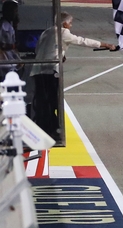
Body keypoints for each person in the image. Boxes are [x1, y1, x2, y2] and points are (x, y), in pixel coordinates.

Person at [29, 12, 117, 140]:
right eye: (70, 23)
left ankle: (44, 128)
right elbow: (82, 41)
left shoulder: (46, 32)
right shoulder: (63, 32)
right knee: (53, 101)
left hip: (37, 71)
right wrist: (106, 44)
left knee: (42, 101)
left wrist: (60, 55)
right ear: (65, 23)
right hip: (50, 71)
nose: (71, 25)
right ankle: (53, 130)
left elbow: (39, 49)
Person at [0, 0, 20, 80]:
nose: (16, 14)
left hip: (10, 62)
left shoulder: (9, 25)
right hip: (5, 63)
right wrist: (13, 46)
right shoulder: (4, 26)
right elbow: (3, 45)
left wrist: (15, 25)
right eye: (15, 11)